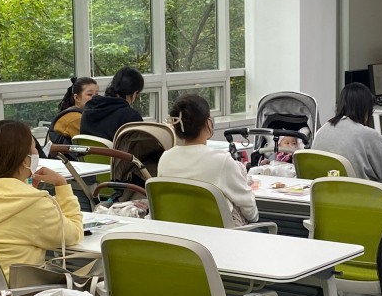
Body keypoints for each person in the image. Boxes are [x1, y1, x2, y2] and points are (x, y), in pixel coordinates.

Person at [0, 120, 84, 276]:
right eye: (34, 148)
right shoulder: (33, 203)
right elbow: (74, 235)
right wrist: (61, 184)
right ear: (25, 160)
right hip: (18, 294)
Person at [156, 93, 260, 224]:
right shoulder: (221, 161)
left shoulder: (165, 158)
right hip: (220, 238)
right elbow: (249, 210)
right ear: (208, 123)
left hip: (180, 235)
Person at [312, 82, 382, 186]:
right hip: (360, 198)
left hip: (323, 196)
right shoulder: (367, 135)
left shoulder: (321, 131)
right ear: (366, 109)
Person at [79, 67, 144, 141]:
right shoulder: (131, 116)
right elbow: (139, 149)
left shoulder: (90, 107)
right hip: (117, 153)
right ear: (135, 93)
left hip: (89, 153)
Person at [48, 77, 98, 144]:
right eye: (89, 94)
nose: (95, 97)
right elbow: (93, 143)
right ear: (77, 98)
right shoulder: (75, 118)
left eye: (97, 94)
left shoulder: (82, 114)